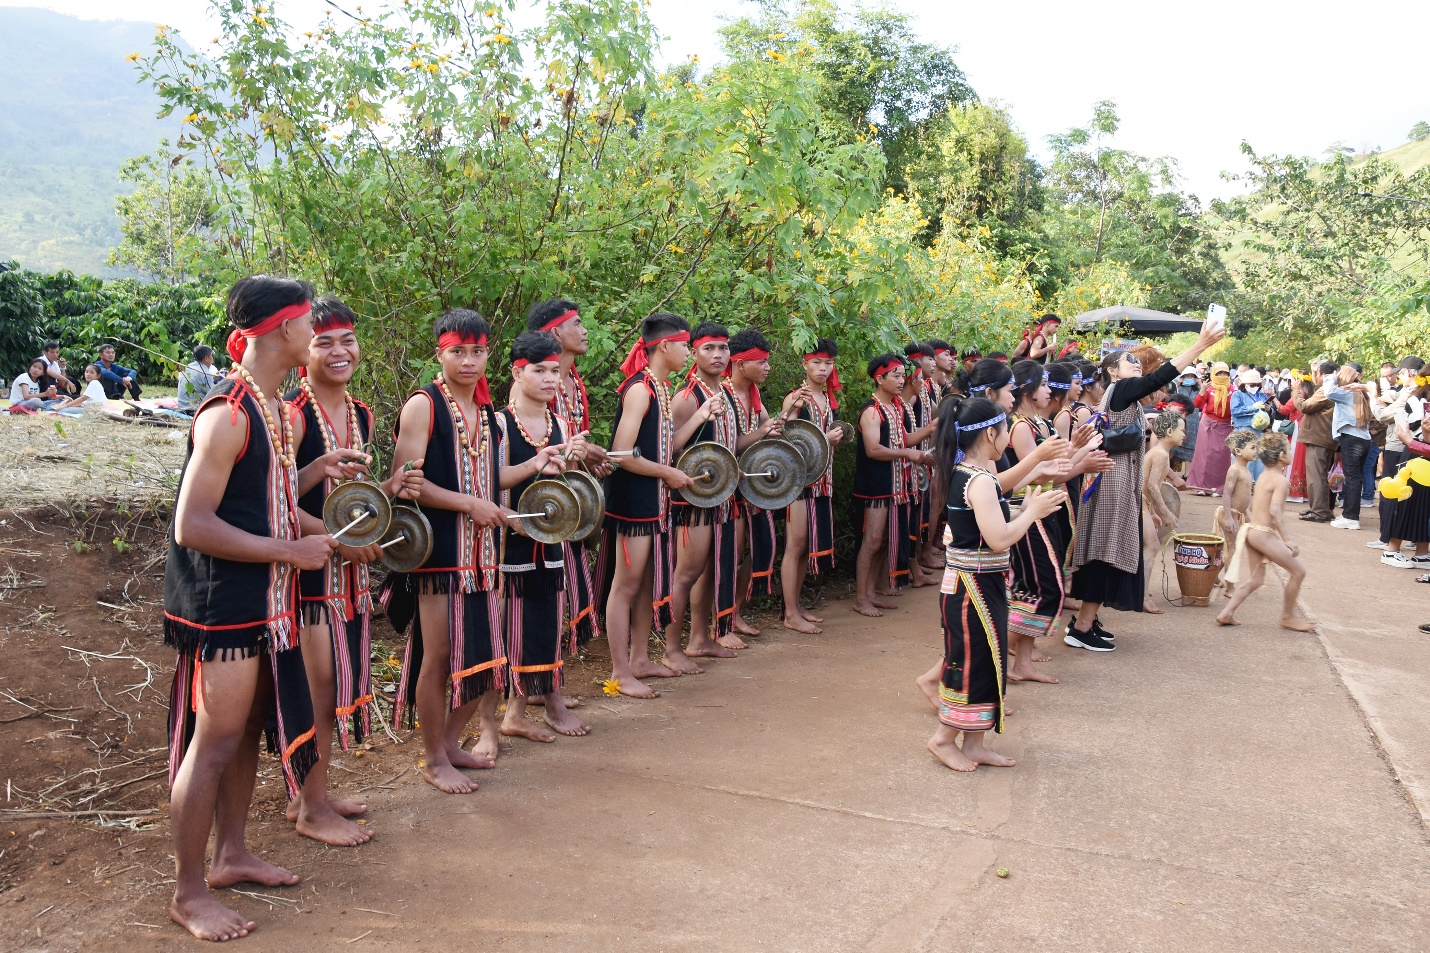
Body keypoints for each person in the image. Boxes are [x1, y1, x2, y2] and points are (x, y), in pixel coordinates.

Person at [163, 275, 341, 941]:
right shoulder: (229, 413)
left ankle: (231, 853)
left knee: (244, 731)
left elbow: (267, 500)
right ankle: (187, 892)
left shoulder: (270, 407)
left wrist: (321, 535)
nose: (315, 335)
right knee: (212, 745)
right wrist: (289, 551)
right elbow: (193, 524)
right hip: (225, 603)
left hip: (263, 595)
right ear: (282, 331)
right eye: (307, 324)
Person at [283, 296, 422, 845]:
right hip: (309, 576)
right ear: (302, 350)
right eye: (324, 342)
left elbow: (354, 501)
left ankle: (308, 793)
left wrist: (389, 494)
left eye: (346, 340)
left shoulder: (360, 414)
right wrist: (338, 542)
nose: (339, 352)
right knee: (317, 689)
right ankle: (312, 809)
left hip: (348, 576)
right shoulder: (292, 415)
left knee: (333, 683)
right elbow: (275, 502)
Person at [384, 308, 511, 793]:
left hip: (484, 554)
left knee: (483, 655)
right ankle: (434, 758)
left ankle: (454, 743)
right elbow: (406, 484)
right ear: (440, 353)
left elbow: (491, 479)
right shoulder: (424, 405)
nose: (469, 361)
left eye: (478, 351)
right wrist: (468, 504)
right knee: (438, 659)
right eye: (458, 351)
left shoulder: (488, 413)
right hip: (439, 555)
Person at [926, 395, 1067, 771]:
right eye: (1005, 427)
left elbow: (994, 509)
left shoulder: (972, 474)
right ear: (991, 433)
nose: (1008, 433)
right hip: (972, 587)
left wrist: (1027, 503)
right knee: (971, 663)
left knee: (988, 663)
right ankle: (943, 739)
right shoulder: (978, 480)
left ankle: (974, 744)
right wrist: (1032, 511)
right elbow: (1000, 537)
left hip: (979, 585)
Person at [1066, 322, 1224, 651]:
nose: (1135, 365)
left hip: (1114, 480)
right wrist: (1200, 346)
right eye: (1128, 361)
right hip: (1113, 481)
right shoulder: (1122, 390)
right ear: (1113, 371)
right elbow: (1159, 377)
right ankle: (1081, 627)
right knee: (1105, 551)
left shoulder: (1124, 396)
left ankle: (1086, 621)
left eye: (1137, 362)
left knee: (1105, 548)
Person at [494, 331, 590, 739]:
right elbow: (490, 482)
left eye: (555, 370)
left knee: (548, 620)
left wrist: (576, 462)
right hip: (506, 540)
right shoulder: (497, 423)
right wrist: (536, 466)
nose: (551, 379)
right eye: (539, 371)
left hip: (550, 539)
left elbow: (566, 486)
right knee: (509, 626)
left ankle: (544, 702)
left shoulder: (561, 423)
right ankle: (512, 712)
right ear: (517, 373)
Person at [600, 313, 697, 697]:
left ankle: (640, 658)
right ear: (665, 346)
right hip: (632, 501)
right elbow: (620, 454)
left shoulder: (660, 388)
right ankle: (620, 671)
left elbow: (662, 447)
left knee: (642, 585)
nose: (687, 352)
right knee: (624, 587)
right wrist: (667, 475)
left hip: (653, 499)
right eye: (685, 345)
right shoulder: (640, 389)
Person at [525, 298, 607, 713]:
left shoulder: (572, 379)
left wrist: (589, 454)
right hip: (544, 506)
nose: (585, 330)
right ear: (556, 332)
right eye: (578, 323)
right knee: (543, 600)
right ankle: (540, 689)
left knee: (560, 597)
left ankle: (544, 684)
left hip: (570, 502)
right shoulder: (536, 382)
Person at [1005, 360, 1108, 681]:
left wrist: (1079, 451)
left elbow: (1056, 471)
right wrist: (1080, 458)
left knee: (1040, 588)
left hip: (1046, 507)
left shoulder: (1040, 423)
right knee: (1043, 588)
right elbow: (1034, 478)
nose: (1050, 390)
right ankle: (998, 646)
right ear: (1028, 390)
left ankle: (1022, 662)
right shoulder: (1021, 426)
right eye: (1043, 384)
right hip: (1028, 510)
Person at [662, 323, 747, 670]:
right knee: (687, 572)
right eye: (709, 348)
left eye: (723, 348)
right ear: (694, 353)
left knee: (710, 568)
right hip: (692, 499)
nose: (717, 355)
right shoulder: (686, 398)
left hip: (722, 495)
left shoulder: (726, 394)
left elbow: (730, 446)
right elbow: (671, 448)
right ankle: (671, 650)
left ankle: (699, 639)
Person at [853, 354, 936, 616]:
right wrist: (907, 454)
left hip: (894, 486)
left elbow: (905, 439)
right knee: (873, 540)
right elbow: (874, 450)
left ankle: (872, 592)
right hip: (876, 486)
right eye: (896, 375)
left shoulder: (895, 406)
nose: (902, 380)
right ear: (880, 379)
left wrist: (932, 428)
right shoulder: (871, 411)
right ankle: (860, 598)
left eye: (903, 375)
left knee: (883, 539)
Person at [724, 328, 786, 645]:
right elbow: (729, 445)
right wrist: (764, 431)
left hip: (754, 484)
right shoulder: (722, 395)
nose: (767, 367)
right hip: (728, 485)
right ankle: (718, 624)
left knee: (752, 550)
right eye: (761, 362)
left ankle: (734, 614)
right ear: (740, 363)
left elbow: (767, 430)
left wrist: (779, 426)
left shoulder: (753, 395)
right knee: (730, 554)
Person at [1216, 433, 1314, 631]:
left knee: (1256, 579)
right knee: (1298, 572)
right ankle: (1288, 617)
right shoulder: (1280, 480)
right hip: (1261, 534)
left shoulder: (1263, 476)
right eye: (1288, 449)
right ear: (1281, 456)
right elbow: (1275, 512)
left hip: (1252, 531)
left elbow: (1256, 506)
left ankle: (1226, 613)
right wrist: (1287, 539)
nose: (1291, 452)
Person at [780, 339, 846, 633]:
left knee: (806, 546)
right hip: (799, 482)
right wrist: (825, 437)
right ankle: (790, 613)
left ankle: (797, 607)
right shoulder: (796, 398)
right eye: (817, 363)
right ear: (804, 364)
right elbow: (786, 441)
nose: (823, 368)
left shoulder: (828, 398)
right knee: (794, 546)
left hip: (822, 481)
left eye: (828, 363)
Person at [1375, 361, 1428, 566]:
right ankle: (1392, 549)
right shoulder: (1417, 400)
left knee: (1424, 507)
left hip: (1424, 456)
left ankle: (1422, 552)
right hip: (1415, 456)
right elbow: (1413, 432)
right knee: (1406, 501)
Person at [901, 342, 940, 587]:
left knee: (919, 514)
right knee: (911, 518)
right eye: (929, 359)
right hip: (912, 461)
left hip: (922, 459)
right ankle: (912, 567)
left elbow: (937, 413)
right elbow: (906, 436)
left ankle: (918, 565)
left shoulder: (925, 389)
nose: (933, 363)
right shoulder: (909, 398)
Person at [1142, 411, 1184, 612]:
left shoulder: (1161, 453)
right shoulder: (1159, 454)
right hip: (1139, 503)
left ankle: (1140, 590)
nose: (1184, 435)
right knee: (1151, 546)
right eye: (1181, 430)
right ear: (1169, 431)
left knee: (1147, 546)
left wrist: (1154, 512)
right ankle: (1142, 596)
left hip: (1143, 504)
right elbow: (1151, 485)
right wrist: (1165, 511)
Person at [1323, 363, 1374, 530]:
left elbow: (1328, 391)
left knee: (1352, 479)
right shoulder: (1362, 393)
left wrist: (1332, 376)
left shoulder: (1347, 393)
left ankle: (1351, 517)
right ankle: (1350, 514)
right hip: (1364, 439)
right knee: (1356, 478)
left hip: (1352, 439)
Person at [1215, 431, 1259, 598]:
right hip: (1230, 514)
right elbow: (1226, 494)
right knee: (1232, 550)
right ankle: (1229, 587)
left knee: (1233, 549)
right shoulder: (1234, 470)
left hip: (1238, 514)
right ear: (1239, 451)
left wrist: (1248, 518)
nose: (1256, 451)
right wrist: (1227, 517)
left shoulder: (1246, 470)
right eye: (1252, 447)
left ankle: (1213, 575)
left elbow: (1244, 499)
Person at [1296, 362, 1338, 522]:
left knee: (1316, 476)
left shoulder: (1326, 391)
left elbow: (1304, 406)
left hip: (1318, 437)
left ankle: (1319, 511)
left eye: (1317, 374)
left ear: (1324, 375)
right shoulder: (1329, 388)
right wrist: (1315, 372)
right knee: (1319, 475)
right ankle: (1319, 509)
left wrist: (1295, 392)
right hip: (1323, 437)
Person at [1187, 362, 1233, 495]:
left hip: (1225, 427)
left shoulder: (1232, 390)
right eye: (1220, 373)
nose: (1223, 376)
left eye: (1225, 373)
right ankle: (1200, 486)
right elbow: (1197, 404)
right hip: (1208, 425)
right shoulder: (1209, 388)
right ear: (1214, 374)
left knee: (1221, 458)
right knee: (1204, 455)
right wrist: (1202, 391)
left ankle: (1219, 488)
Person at [179, 345, 224, 414]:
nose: (213, 359)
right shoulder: (205, 373)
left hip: (181, 407)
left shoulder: (187, 367)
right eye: (211, 356)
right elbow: (212, 395)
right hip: (194, 410)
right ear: (206, 358)